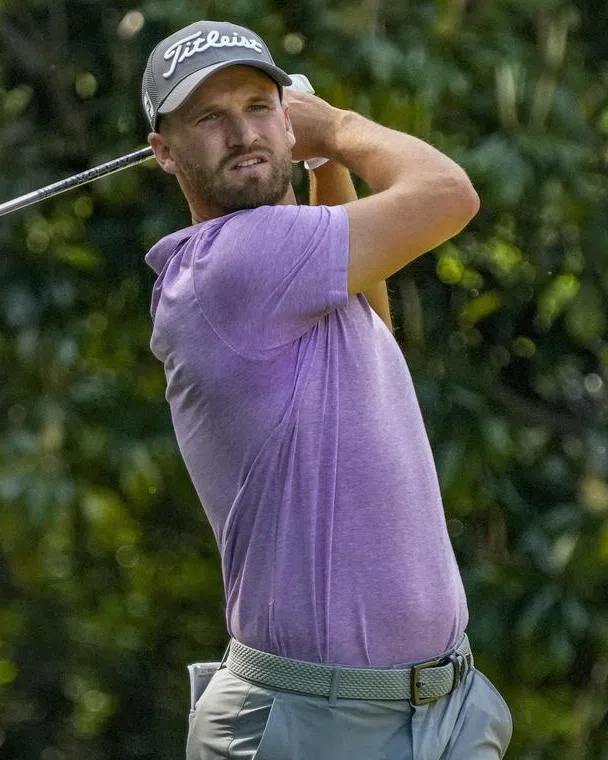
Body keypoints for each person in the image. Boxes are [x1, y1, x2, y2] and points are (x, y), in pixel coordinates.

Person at [140, 19, 513, 760]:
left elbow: (368, 329)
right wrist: (335, 128)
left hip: (441, 710)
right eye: (209, 117)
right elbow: (450, 193)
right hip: (315, 726)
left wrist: (322, 169)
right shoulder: (235, 261)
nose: (243, 133)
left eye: (256, 105)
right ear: (163, 151)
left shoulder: (295, 275)